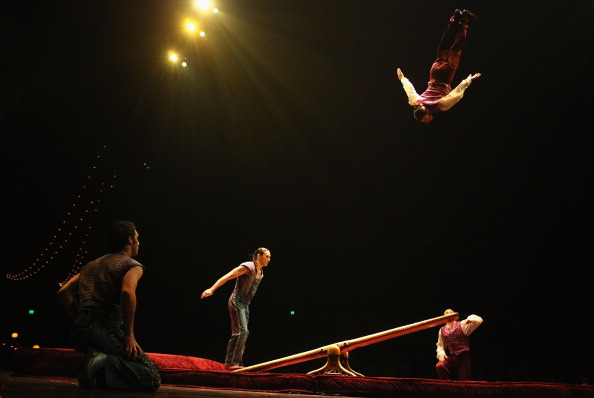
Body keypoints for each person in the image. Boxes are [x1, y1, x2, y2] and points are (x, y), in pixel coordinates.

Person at [57, 221, 161, 391]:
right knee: (152, 377)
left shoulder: (91, 265)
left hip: (79, 332)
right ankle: (104, 359)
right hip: (105, 329)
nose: (139, 242)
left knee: (107, 374)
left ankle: (97, 367)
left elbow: (63, 292)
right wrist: (129, 334)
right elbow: (127, 292)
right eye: (137, 238)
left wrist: (79, 318)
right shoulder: (132, 265)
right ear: (129, 239)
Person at [397, 9, 481, 123]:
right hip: (434, 72)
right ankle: (455, 20)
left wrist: (468, 80)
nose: (426, 122)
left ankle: (465, 21)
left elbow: (454, 94)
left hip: (446, 76)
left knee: (455, 49)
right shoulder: (416, 102)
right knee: (444, 48)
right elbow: (410, 90)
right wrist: (402, 78)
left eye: (424, 120)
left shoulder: (440, 106)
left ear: (426, 113)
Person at [201, 248, 271, 370]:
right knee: (242, 331)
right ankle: (231, 362)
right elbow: (228, 276)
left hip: (245, 304)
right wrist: (212, 289)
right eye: (267, 256)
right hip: (236, 301)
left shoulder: (261, 273)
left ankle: (237, 361)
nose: (269, 259)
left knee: (244, 333)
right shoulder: (248, 267)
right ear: (259, 256)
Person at [435, 309, 483, 380]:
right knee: (440, 366)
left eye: (450, 312)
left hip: (463, 356)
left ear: (454, 315)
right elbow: (440, 345)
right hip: (452, 357)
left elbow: (479, 320)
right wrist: (441, 352)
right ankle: (448, 385)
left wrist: (469, 319)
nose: (449, 313)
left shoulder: (462, 324)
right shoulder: (442, 330)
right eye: (446, 313)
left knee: (464, 378)